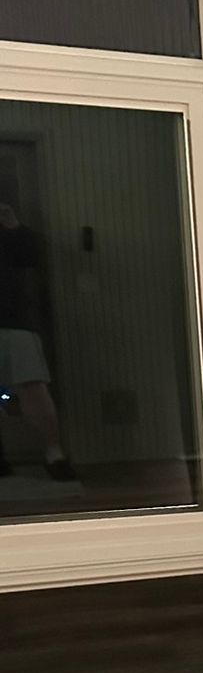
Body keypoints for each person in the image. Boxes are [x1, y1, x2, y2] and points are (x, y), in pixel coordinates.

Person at [0, 203, 76, 482]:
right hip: (16, 318)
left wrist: (12, 225)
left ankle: (54, 453)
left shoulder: (10, 231)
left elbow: (30, 258)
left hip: (14, 318)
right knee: (25, 389)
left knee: (32, 387)